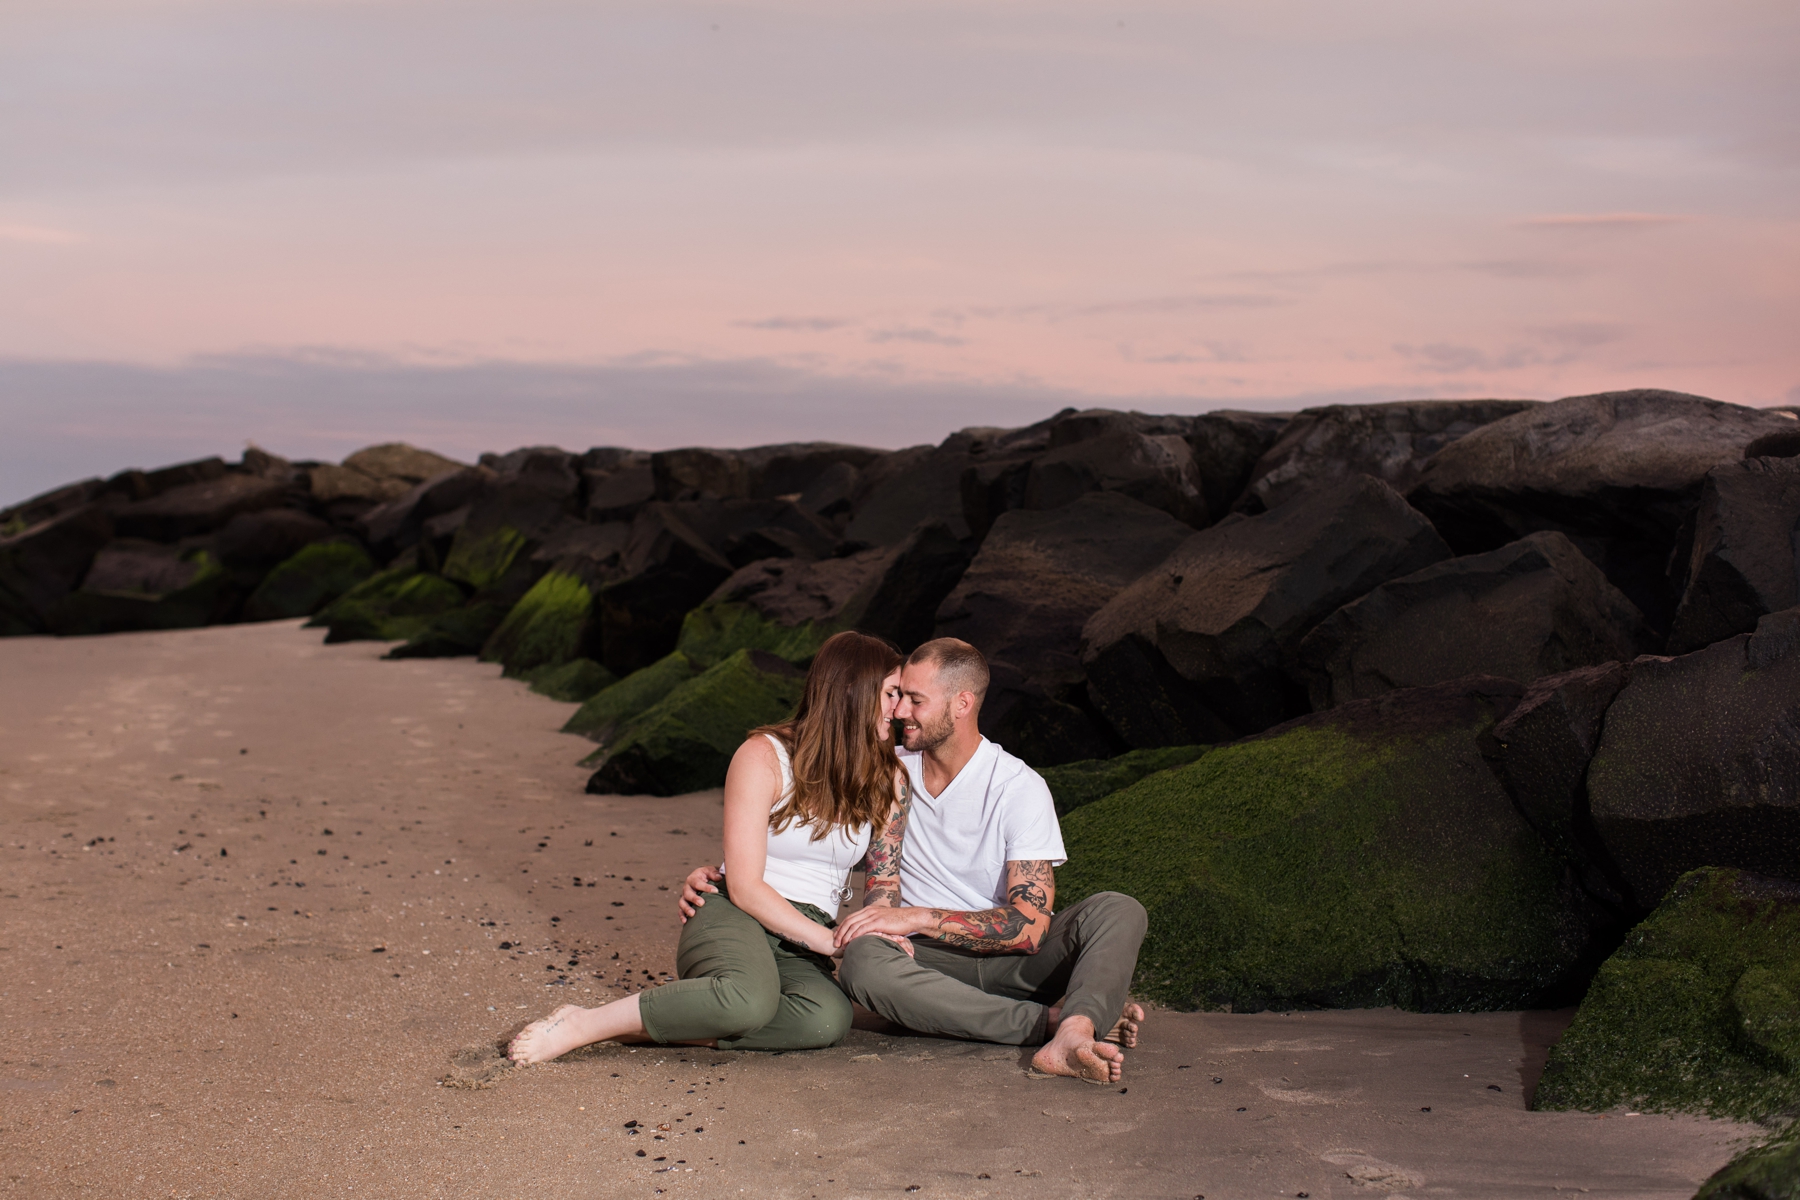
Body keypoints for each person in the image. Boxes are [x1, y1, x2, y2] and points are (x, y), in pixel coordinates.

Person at [683, 637, 1147, 1084]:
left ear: (961, 704)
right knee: (864, 958)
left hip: (1013, 962)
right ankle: (1065, 1025)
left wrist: (919, 916)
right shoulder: (886, 768)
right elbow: (806, 828)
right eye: (897, 696)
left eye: (915, 700)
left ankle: (1076, 1018)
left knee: (1118, 909)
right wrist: (723, 873)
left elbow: (1031, 927)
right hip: (921, 964)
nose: (900, 710)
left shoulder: (1017, 788)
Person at [507, 630, 910, 1063]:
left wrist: (881, 927)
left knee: (825, 1020)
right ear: (852, 689)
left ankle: (656, 1025)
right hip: (734, 912)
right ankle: (582, 1024)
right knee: (747, 1001)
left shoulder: (889, 779)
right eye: (891, 693)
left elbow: (884, 877)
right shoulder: (763, 757)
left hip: (804, 933)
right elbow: (746, 886)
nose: (900, 709)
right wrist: (831, 943)